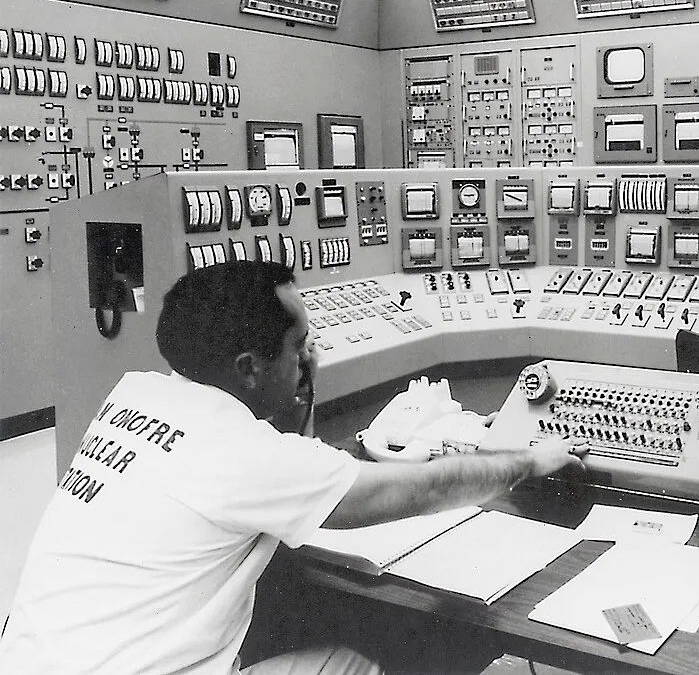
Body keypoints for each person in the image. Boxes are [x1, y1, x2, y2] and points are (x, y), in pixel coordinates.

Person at [0, 260, 587, 675]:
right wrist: (529, 460)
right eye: (300, 344)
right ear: (251, 367)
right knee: (377, 659)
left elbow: (284, 459)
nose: (312, 354)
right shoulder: (241, 453)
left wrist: (298, 396)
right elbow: (421, 487)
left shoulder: (136, 394)